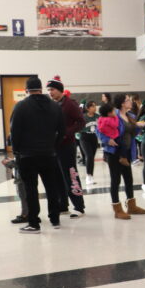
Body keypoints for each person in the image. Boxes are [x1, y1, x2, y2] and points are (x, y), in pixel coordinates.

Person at [9, 76, 65, 233]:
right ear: (41, 89)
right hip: (49, 154)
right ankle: (55, 219)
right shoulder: (55, 106)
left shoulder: (21, 106)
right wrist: (54, 146)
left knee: (31, 189)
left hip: (27, 156)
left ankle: (34, 223)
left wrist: (16, 151)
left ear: (26, 90)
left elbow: (15, 132)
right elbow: (62, 131)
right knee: (51, 187)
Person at [98, 94, 145, 219]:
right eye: (128, 100)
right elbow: (99, 129)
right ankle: (117, 209)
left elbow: (132, 132)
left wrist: (138, 127)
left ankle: (131, 206)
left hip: (126, 151)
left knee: (128, 179)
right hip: (114, 152)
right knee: (116, 180)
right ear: (121, 103)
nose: (130, 102)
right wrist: (106, 139)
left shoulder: (131, 115)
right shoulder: (113, 113)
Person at [46, 75, 85, 218]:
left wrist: (66, 133)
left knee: (71, 175)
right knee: (57, 176)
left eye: (53, 90)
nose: (50, 92)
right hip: (54, 147)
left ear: (60, 90)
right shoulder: (52, 104)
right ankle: (63, 205)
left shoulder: (70, 104)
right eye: (49, 90)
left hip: (67, 146)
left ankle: (79, 206)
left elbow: (81, 122)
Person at [2, 138, 28, 225]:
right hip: (24, 174)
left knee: (23, 194)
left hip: (22, 177)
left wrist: (8, 163)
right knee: (26, 194)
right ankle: (30, 213)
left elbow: (19, 164)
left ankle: (25, 214)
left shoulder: (21, 150)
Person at [79, 100, 99, 186]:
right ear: (88, 108)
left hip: (94, 138)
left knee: (92, 158)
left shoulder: (98, 116)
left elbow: (101, 126)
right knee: (89, 156)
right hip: (84, 138)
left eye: (95, 106)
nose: (95, 108)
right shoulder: (83, 117)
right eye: (93, 106)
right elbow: (78, 127)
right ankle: (88, 176)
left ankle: (91, 176)